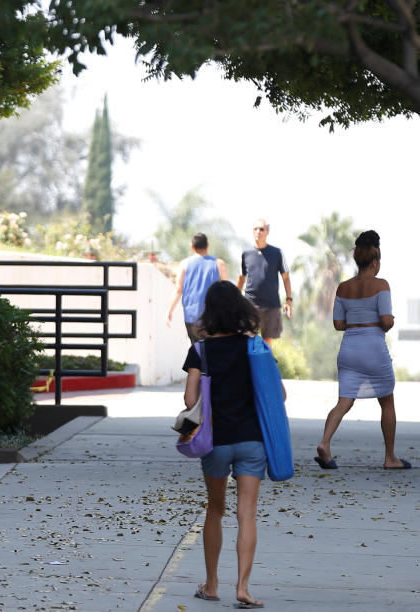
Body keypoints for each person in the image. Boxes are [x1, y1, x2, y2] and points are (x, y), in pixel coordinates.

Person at [182, 281, 277, 609]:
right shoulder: (255, 346)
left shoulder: (201, 350)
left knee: (215, 510)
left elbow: (190, 399)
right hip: (252, 440)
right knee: (246, 514)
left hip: (215, 442)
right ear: (240, 308)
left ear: (209, 311)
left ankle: (211, 585)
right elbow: (277, 394)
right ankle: (243, 587)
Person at [315, 230, 411, 470]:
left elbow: (338, 324)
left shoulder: (343, 287)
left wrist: (357, 322)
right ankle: (390, 457)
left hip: (349, 349)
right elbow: (386, 320)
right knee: (387, 402)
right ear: (376, 261)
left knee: (344, 402)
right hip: (373, 349)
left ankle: (325, 443)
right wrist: (382, 322)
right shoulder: (381, 285)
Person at [236, 218, 293, 346]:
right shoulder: (246, 254)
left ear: (267, 232)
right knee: (249, 340)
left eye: (261, 229)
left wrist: (289, 300)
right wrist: (234, 299)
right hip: (250, 304)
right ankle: (248, 366)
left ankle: (265, 365)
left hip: (271, 305)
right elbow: (241, 278)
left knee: (267, 342)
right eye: (255, 229)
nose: (258, 232)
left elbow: (286, 277)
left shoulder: (277, 253)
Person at [166, 232, 229, 343]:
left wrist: (169, 311)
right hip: (214, 317)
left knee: (197, 350)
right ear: (207, 245)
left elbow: (178, 289)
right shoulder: (219, 264)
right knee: (213, 350)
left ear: (192, 247)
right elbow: (228, 291)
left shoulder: (184, 264)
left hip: (192, 317)